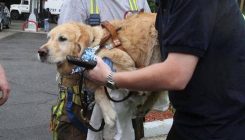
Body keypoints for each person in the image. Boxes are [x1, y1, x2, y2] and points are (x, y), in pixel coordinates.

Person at [87, 0, 245, 140]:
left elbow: (176, 74)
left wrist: (109, 78)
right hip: (194, 117)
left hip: (220, 123)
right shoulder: (169, 5)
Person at [53, 0, 169, 140]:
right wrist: (103, 77)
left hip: (129, 102)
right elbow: (62, 54)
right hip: (83, 105)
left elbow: (154, 42)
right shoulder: (78, 2)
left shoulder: (138, 2)